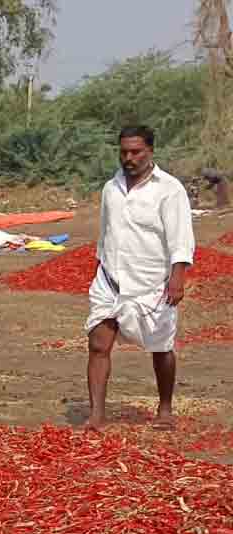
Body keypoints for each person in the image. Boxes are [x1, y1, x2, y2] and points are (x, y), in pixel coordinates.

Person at [85, 126, 195, 430]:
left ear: (150, 151)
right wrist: (98, 266)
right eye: (124, 152)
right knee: (98, 344)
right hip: (110, 279)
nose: (128, 158)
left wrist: (178, 276)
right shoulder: (112, 188)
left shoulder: (169, 189)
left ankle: (165, 407)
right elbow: (106, 232)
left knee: (160, 347)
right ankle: (96, 415)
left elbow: (180, 237)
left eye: (136, 152)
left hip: (151, 283)